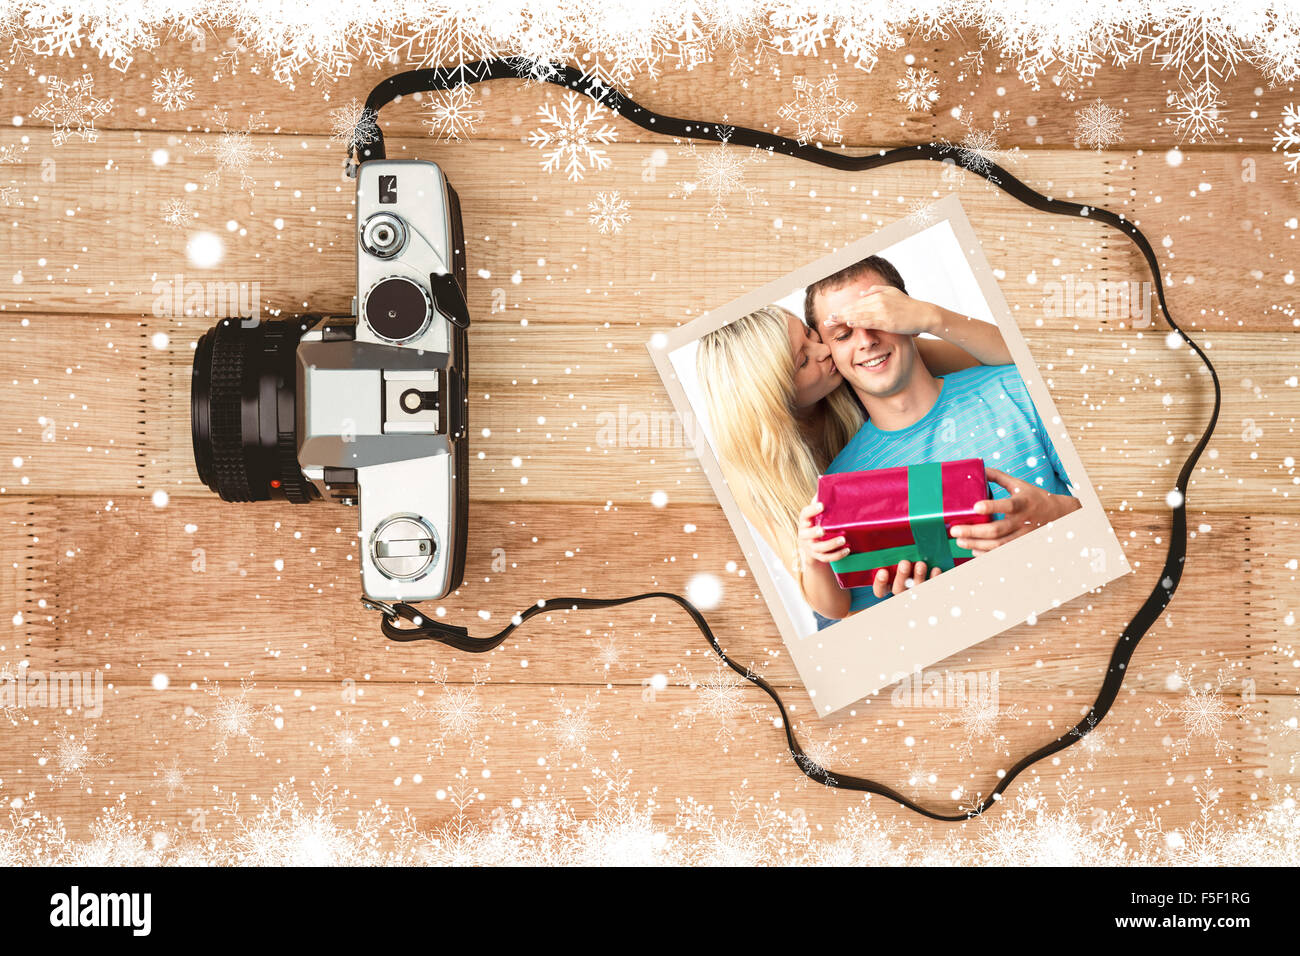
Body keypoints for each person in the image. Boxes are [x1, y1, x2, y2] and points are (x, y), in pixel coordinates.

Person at [694, 277, 1013, 616]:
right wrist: (813, 557)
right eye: (803, 361)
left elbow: (1010, 354)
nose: (824, 351)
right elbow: (833, 607)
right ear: (771, 395)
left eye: (811, 335)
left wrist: (930, 317)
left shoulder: (863, 365)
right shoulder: (750, 469)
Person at [796, 255, 1081, 623]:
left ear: (910, 319)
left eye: (877, 319)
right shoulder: (840, 491)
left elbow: (1130, 510)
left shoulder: (1017, 389)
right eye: (844, 334)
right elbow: (852, 640)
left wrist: (1060, 513)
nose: (865, 341)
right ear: (831, 353)